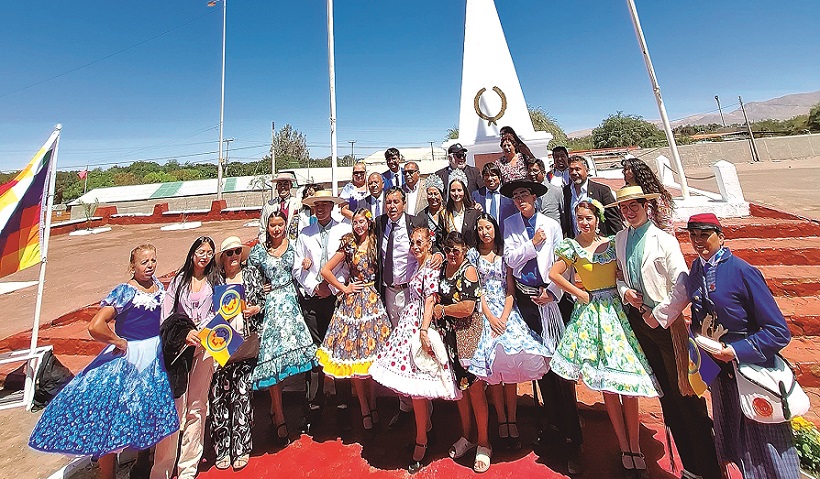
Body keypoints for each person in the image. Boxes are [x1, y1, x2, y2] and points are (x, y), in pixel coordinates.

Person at [663, 213, 799, 478]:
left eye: (704, 234)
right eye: (693, 235)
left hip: (751, 373)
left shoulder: (742, 271)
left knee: (766, 447)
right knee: (732, 445)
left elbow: (778, 332)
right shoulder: (696, 270)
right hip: (721, 376)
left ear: (721, 237)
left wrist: (736, 351)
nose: (698, 241)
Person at [30, 245, 178, 479]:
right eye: (144, 262)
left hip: (153, 359)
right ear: (133, 266)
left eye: (153, 260)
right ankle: (106, 474)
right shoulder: (124, 292)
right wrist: (119, 342)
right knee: (110, 418)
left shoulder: (159, 287)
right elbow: (95, 326)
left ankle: (140, 465)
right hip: (129, 359)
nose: (149, 265)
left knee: (144, 415)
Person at [609, 186, 722, 479]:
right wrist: (626, 294)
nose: (629, 211)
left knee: (687, 395)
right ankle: (690, 467)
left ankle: (709, 469)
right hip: (639, 324)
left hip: (667, 327)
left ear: (647, 207)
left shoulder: (664, 240)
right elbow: (619, 276)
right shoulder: (621, 238)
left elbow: (682, 284)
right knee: (666, 397)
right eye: (624, 207)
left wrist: (657, 316)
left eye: (634, 205)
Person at [548, 200, 659, 472]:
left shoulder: (612, 243)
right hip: (591, 315)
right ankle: (624, 446)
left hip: (617, 314)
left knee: (627, 383)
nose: (584, 223)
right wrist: (580, 293)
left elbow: (622, 273)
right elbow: (554, 273)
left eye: (589, 218)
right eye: (580, 218)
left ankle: (635, 445)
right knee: (607, 385)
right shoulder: (571, 247)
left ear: (597, 219)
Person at [501, 179, 583, 474]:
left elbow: (565, 260)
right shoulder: (510, 224)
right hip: (526, 301)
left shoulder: (551, 224)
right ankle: (552, 425)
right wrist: (530, 245)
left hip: (551, 298)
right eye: (516, 196)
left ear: (534, 197)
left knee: (560, 366)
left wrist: (554, 291)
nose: (520, 198)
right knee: (540, 366)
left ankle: (574, 435)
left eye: (525, 194)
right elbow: (510, 259)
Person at [369, 226, 461, 473]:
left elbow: (431, 299)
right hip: (410, 321)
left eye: (419, 242)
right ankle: (424, 428)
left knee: (418, 386)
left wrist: (423, 330)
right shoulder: (417, 265)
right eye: (412, 242)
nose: (415, 246)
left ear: (429, 243)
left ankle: (422, 440)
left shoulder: (431, 267)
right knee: (412, 386)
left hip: (420, 323)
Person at [467, 214, 551, 450]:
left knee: (511, 363)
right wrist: (491, 318)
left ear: (495, 228)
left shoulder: (505, 255)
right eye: (480, 228)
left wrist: (504, 317)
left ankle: (511, 418)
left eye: (488, 227)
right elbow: (477, 291)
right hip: (485, 313)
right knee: (493, 365)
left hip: (507, 311)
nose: (485, 232)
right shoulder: (473, 256)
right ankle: (500, 417)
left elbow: (510, 289)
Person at [152, 236, 223, 479]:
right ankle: (162, 469)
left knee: (197, 408)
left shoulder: (215, 281)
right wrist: (183, 335)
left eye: (209, 252)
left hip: (204, 351)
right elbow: (166, 317)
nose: (204, 256)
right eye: (200, 251)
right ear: (192, 253)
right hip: (179, 353)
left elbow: (222, 313)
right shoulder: (179, 282)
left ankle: (187, 468)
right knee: (174, 409)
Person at [317, 208, 393, 430]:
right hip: (353, 305)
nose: (358, 226)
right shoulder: (348, 244)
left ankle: (373, 403)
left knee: (370, 360)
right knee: (355, 357)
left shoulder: (375, 242)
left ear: (368, 223)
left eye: (362, 222)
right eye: (355, 222)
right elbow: (326, 270)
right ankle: (364, 408)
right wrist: (344, 288)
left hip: (373, 303)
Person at [375, 186, 443, 428]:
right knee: (395, 349)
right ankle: (405, 404)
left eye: (396, 201)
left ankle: (425, 407)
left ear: (404, 203)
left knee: (414, 348)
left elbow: (435, 246)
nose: (391, 206)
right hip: (388, 292)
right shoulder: (379, 223)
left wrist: (440, 256)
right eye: (388, 202)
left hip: (410, 293)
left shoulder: (416, 222)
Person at [248, 212, 318, 446]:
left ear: (285, 226)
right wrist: (260, 289)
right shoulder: (259, 251)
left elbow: (305, 265)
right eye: (272, 225)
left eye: (280, 225)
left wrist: (306, 264)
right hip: (271, 309)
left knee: (307, 362)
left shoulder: (295, 246)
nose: (276, 229)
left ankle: (310, 410)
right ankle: (278, 415)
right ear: (267, 227)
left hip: (291, 306)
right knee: (272, 366)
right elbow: (249, 279)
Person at [293, 191, 354, 433]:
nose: (320, 208)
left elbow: (350, 265)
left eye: (324, 204)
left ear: (332, 206)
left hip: (336, 297)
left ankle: (343, 404)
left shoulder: (343, 230)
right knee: (315, 352)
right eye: (316, 205)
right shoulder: (305, 233)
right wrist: (314, 287)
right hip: (313, 298)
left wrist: (332, 287)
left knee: (339, 350)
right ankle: (314, 404)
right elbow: (298, 266)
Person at [434, 232, 492, 474]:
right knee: (461, 390)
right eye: (448, 250)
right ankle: (466, 435)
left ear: (465, 250)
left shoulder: (468, 271)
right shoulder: (444, 268)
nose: (451, 255)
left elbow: (468, 308)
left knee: (476, 392)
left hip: (468, 337)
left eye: (455, 250)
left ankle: (484, 443)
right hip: (450, 337)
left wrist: (443, 309)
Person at [209, 237, 265, 471]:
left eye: (236, 252)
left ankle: (241, 446)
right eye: (229, 253)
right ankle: (222, 448)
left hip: (246, 343)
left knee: (242, 395)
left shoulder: (252, 274)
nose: (233, 257)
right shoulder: (214, 280)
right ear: (222, 258)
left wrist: (256, 308)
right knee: (219, 398)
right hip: (220, 347)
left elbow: (263, 300)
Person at [562, 155, 623, 237]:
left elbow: (613, 220)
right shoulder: (566, 192)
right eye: (571, 170)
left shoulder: (602, 191)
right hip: (576, 243)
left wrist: (618, 241)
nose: (573, 173)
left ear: (587, 171)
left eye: (577, 169)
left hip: (599, 244)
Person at [621, 155, 676, 233]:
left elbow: (665, 223)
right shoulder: (626, 192)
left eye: (626, 169)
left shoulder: (656, 196)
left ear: (636, 171)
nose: (623, 172)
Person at [472, 163, 516, 234]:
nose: (490, 178)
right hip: (485, 237)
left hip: (506, 235)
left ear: (500, 177)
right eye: (486, 175)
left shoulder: (509, 194)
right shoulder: (476, 195)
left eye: (493, 175)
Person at [259, 171, 302, 242]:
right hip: (273, 246)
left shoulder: (298, 204)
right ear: (276, 187)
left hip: (293, 245)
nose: (282, 187)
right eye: (280, 184)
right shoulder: (268, 206)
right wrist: (266, 244)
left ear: (290, 186)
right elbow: (262, 228)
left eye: (285, 184)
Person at [442, 172, 481, 249]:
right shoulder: (444, 214)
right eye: (453, 190)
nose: (456, 194)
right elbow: (442, 238)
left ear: (464, 191)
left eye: (459, 190)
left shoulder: (474, 212)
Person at [526, 158, 564, 225]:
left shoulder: (557, 191)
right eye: (529, 171)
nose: (531, 174)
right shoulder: (526, 195)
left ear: (543, 173)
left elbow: (564, 215)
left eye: (535, 171)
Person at [421, 174, 447, 250]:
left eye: (436, 194)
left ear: (441, 195)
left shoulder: (449, 212)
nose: (433, 197)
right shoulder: (421, 216)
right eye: (430, 194)